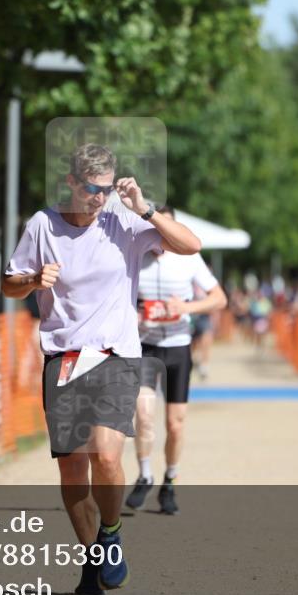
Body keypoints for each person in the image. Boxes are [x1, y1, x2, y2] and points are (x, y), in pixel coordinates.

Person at [2, 143, 201, 595]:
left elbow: (191, 246)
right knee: (73, 468)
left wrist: (145, 209)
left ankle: (110, 533)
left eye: (107, 189)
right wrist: (33, 281)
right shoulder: (42, 225)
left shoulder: (123, 222)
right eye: (93, 189)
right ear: (71, 182)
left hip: (115, 355)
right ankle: (93, 558)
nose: (100, 198)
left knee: (107, 456)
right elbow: (9, 284)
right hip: (64, 357)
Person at [125, 204, 226, 515]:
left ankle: (169, 480)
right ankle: (145, 474)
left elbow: (218, 298)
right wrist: (135, 312)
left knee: (175, 424)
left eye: (167, 228)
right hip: (144, 346)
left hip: (178, 347)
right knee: (143, 417)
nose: (161, 235)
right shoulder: (135, 255)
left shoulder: (189, 259)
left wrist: (185, 308)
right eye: (156, 228)